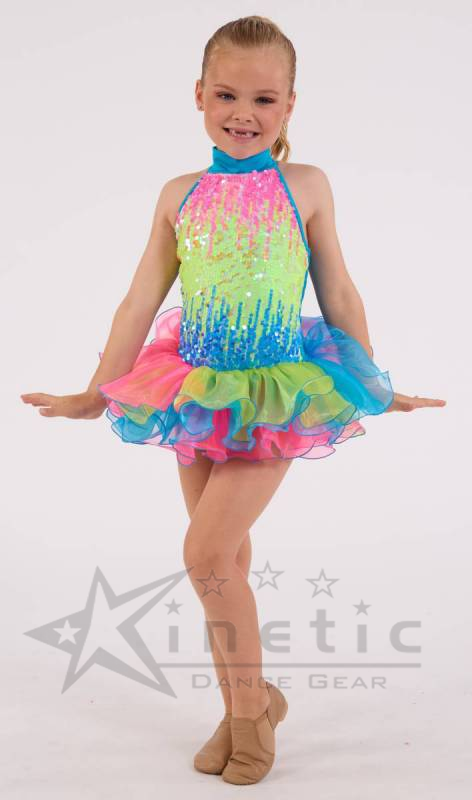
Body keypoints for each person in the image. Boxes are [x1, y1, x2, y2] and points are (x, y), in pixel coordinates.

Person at [20, 15, 446, 786]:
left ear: (290, 105)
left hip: (277, 394)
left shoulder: (306, 186)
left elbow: (339, 288)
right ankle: (246, 703)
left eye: (263, 99)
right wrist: (94, 393)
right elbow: (139, 301)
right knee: (227, 562)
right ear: (198, 95)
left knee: (204, 554)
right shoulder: (178, 194)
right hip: (195, 391)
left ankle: (251, 716)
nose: (242, 113)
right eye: (226, 95)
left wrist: (372, 382)